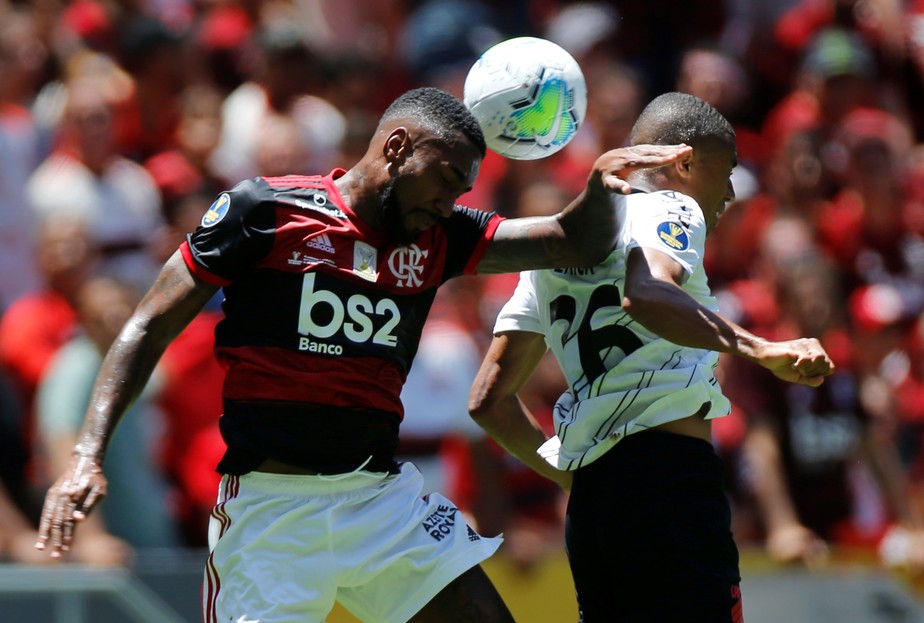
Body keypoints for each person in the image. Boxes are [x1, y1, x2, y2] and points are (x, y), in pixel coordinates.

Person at [34, 86, 691, 623]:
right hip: (271, 516)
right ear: (397, 146)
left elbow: (567, 243)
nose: (449, 202)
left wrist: (603, 184)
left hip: (380, 500)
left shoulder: (440, 238)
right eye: (443, 180)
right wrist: (87, 453)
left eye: (462, 190)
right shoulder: (263, 210)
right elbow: (147, 324)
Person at [468, 91, 835, 623]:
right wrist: (761, 347)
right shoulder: (673, 205)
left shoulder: (555, 243)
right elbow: (645, 292)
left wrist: (572, 476)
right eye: (726, 170)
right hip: (668, 487)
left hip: (592, 506)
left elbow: (488, 401)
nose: (730, 192)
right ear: (684, 162)